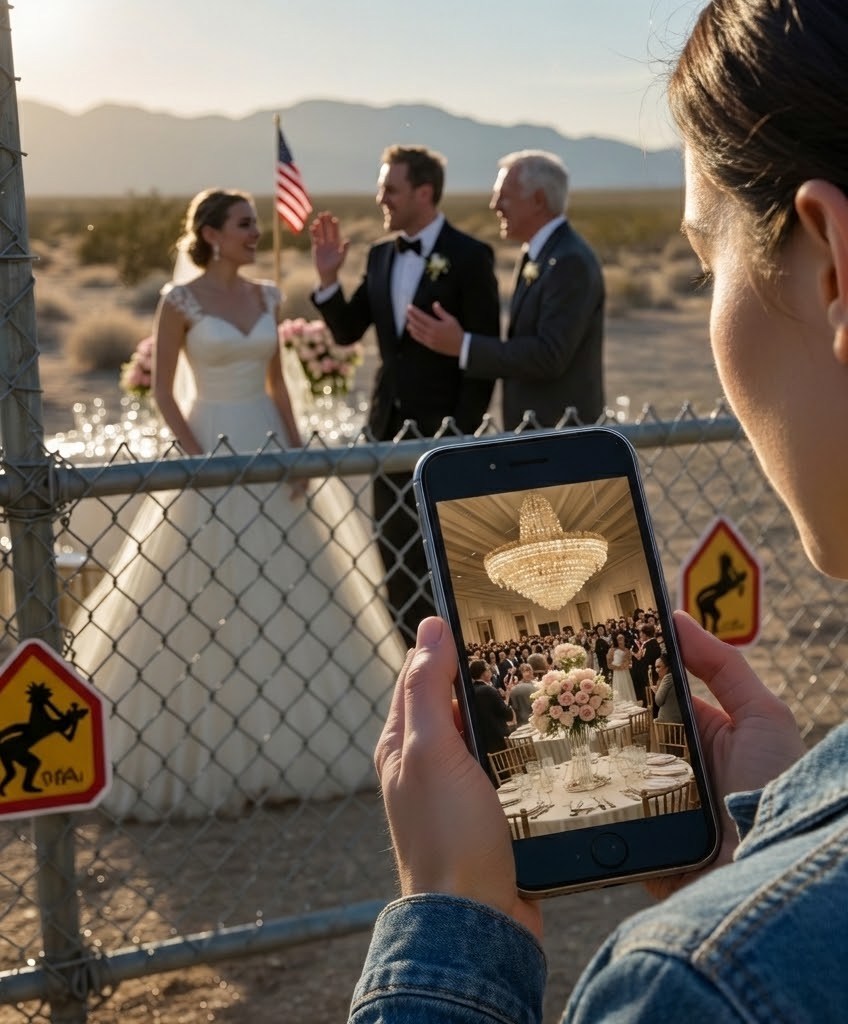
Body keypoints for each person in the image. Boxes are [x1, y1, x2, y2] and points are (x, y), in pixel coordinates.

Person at [347, 2, 848, 1019]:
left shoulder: (698, 982)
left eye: (708, 260)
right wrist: (755, 850)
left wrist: (449, 929)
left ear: (831, 259)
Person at [58, 189, 406, 818]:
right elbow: (164, 392)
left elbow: (278, 382)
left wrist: (297, 454)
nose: (257, 232)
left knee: (290, 592)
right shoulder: (178, 302)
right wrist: (198, 462)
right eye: (246, 224)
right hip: (207, 450)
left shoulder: (267, 296)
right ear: (213, 234)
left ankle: (295, 749)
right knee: (200, 592)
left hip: (271, 448)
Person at [310, 145, 501, 644]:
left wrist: (460, 431)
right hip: (387, 435)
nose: (381, 198)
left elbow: (482, 359)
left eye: (390, 189)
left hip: (445, 437)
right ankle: (413, 663)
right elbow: (350, 330)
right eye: (381, 188)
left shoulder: (469, 257)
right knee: (395, 558)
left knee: (450, 565)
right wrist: (328, 279)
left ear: (424, 191)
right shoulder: (379, 256)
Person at [404, 149, 605, 430]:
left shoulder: (570, 261)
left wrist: (463, 345)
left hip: (561, 439)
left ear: (538, 200)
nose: (494, 205)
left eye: (504, 196)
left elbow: (549, 356)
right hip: (536, 434)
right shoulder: (538, 254)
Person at [469, 660, 512, 758]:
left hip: (484, 739)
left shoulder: (472, 690)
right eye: (488, 669)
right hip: (498, 737)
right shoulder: (488, 690)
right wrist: (507, 695)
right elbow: (506, 713)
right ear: (483, 673)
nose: (491, 672)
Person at [631, 622, 662, 705]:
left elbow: (647, 660)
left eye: (641, 632)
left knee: (652, 691)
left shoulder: (650, 644)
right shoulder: (648, 643)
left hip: (650, 672)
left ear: (645, 634)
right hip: (649, 671)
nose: (640, 635)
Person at [608, 630, 637, 704]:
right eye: (619, 639)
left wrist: (627, 664)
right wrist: (618, 668)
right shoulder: (612, 650)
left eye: (622, 638)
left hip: (626, 672)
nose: (620, 640)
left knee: (627, 687)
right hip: (617, 673)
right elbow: (609, 664)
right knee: (619, 689)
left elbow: (630, 662)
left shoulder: (627, 650)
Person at [653, 651, 681, 724]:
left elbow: (658, 701)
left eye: (659, 667)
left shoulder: (668, 678)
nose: (656, 670)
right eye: (655, 667)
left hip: (668, 724)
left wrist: (657, 691)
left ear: (667, 667)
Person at [507, 660, 538, 727]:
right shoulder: (516, 688)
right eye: (525, 671)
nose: (528, 673)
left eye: (529, 670)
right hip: (523, 719)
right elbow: (513, 706)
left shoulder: (536, 684)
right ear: (521, 673)